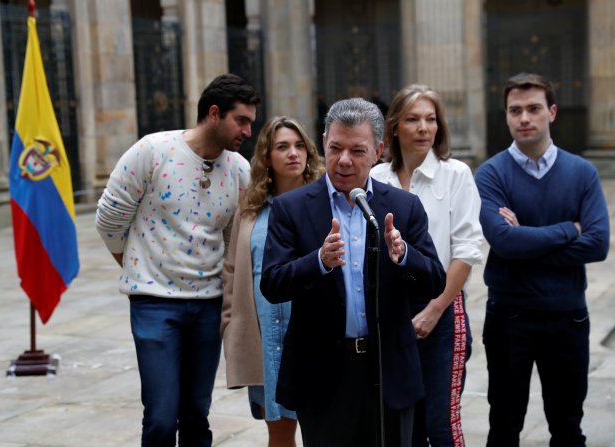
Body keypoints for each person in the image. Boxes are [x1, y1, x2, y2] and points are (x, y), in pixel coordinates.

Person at [260, 98, 446, 447]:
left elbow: (436, 280)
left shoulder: (403, 207)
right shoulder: (292, 208)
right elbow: (272, 283)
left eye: (357, 151)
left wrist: (404, 254)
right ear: (325, 142)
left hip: (387, 370)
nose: (344, 160)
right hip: (323, 374)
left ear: (377, 151)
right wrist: (318, 261)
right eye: (335, 148)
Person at [95, 74, 260, 447]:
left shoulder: (239, 170)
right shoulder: (152, 152)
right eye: (242, 120)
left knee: (196, 416)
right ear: (214, 114)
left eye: (251, 121)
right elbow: (109, 220)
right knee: (160, 417)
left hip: (208, 307)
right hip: (154, 306)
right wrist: (140, 268)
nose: (248, 131)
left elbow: (236, 239)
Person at [474, 72, 610, 447]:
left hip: (567, 316)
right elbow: (503, 243)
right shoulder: (489, 174)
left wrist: (524, 240)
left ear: (551, 112)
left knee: (568, 427)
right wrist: (569, 229)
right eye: (515, 110)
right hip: (509, 319)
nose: (524, 118)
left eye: (533, 108)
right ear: (506, 116)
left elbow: (598, 245)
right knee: (504, 425)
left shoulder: (582, 173)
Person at [371, 84, 483, 447]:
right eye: (413, 119)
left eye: (431, 120)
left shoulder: (456, 175)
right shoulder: (376, 179)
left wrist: (436, 309)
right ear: (395, 127)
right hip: (391, 313)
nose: (423, 128)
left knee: (442, 423)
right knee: (405, 427)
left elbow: (466, 249)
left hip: (443, 307)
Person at [221, 116, 323, 446]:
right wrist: (229, 326)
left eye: (299, 146)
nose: (293, 154)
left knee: (321, 429)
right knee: (278, 433)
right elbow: (232, 270)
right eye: (282, 147)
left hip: (312, 337)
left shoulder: (325, 203)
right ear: (267, 156)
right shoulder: (250, 209)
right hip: (265, 337)